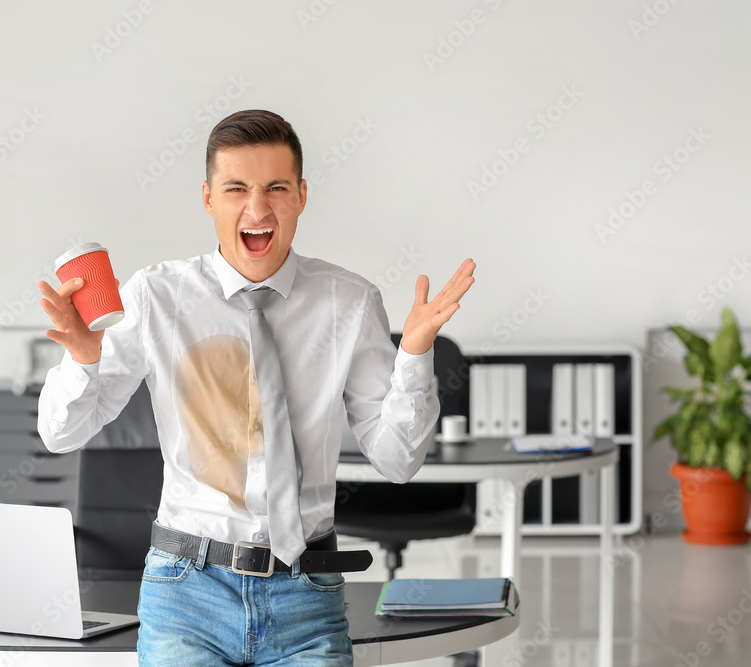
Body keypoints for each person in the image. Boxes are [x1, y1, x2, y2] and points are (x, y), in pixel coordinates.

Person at [36, 109, 476, 665]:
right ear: (207, 197)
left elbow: (397, 462)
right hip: (186, 591)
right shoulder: (156, 295)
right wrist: (81, 360)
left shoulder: (350, 300)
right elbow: (61, 434)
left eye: (276, 188)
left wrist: (414, 356)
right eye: (236, 188)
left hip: (307, 595)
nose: (258, 208)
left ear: (301, 195)